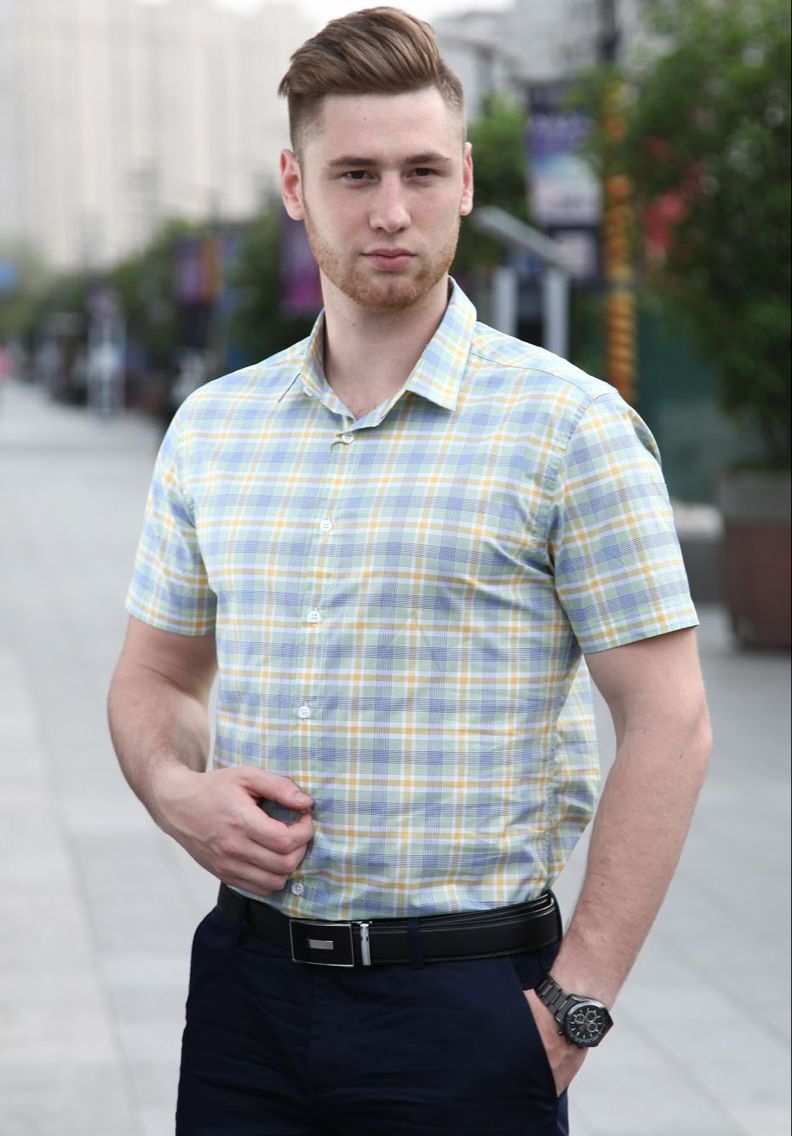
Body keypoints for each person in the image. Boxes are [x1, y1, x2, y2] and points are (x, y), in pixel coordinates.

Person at [107, 8, 711, 1134]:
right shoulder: (212, 429)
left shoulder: (570, 428)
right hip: (247, 996)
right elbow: (157, 677)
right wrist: (177, 793)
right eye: (356, 174)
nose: (391, 210)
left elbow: (671, 722)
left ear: (466, 180)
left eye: (422, 171)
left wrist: (574, 1003)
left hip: (466, 1004)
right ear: (296, 185)